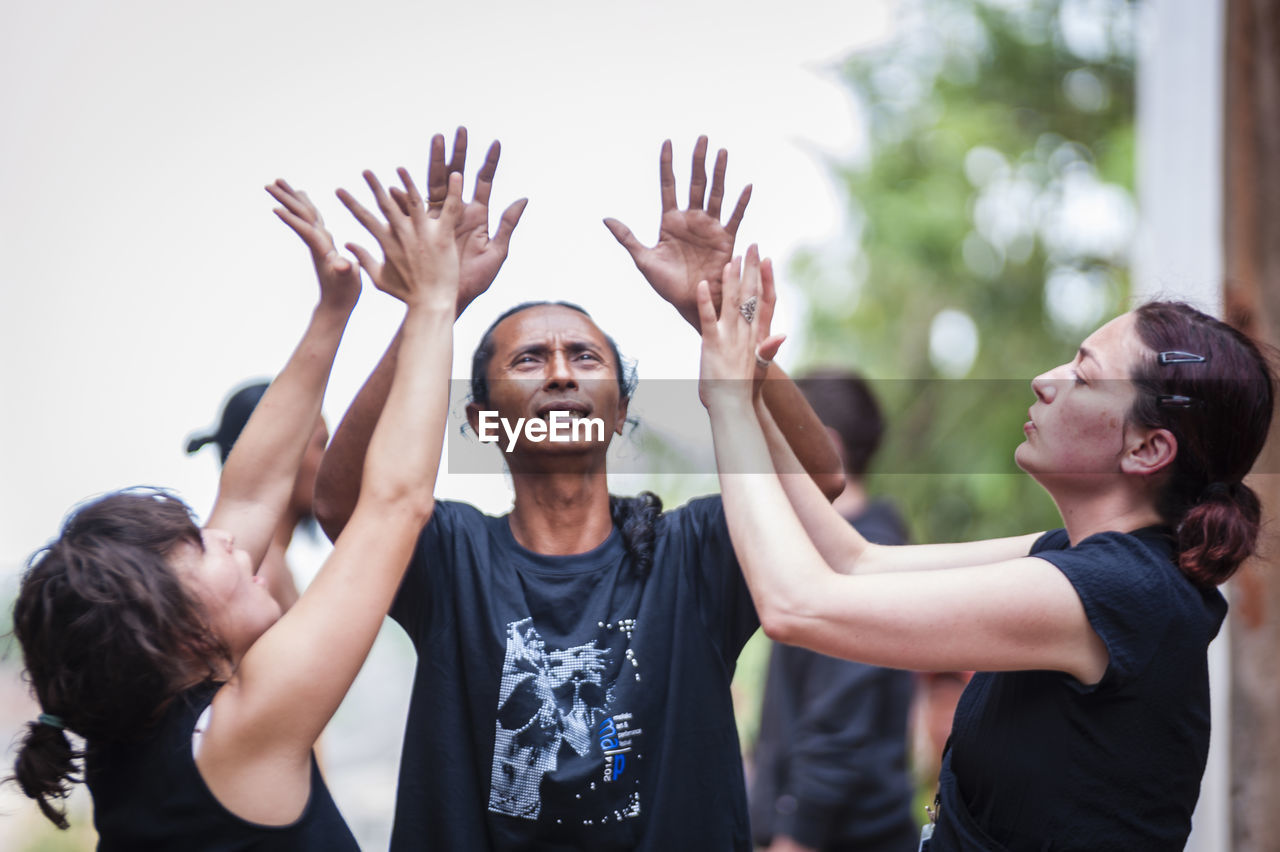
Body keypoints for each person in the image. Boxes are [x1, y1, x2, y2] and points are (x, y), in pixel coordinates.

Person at [314, 128, 844, 851]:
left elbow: (819, 488)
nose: (561, 373)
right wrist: (431, 308)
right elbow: (343, 509)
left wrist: (721, 330)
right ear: (484, 422)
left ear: (621, 412)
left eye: (584, 357)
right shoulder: (450, 555)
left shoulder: (691, 556)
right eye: (531, 358)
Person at [696, 251, 1274, 851]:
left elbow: (797, 605)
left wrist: (730, 402)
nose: (1045, 381)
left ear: (1148, 449)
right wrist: (744, 367)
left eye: (1083, 375)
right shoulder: (1086, 563)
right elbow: (854, 560)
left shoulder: (1119, 593)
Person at [10, 168, 464, 848]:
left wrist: (333, 309)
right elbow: (395, 505)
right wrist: (432, 302)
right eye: (199, 545)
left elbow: (253, 490)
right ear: (178, 632)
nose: (225, 539)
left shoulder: (136, 733)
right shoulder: (236, 734)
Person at [749, 369, 917, 852]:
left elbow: (837, 732)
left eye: (777, 436)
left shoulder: (864, 560)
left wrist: (793, 837)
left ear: (825, 444)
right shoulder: (846, 554)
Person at [186, 380, 330, 612]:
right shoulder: (259, 576)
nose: (332, 461)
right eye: (321, 444)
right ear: (278, 454)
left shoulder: (269, 568)